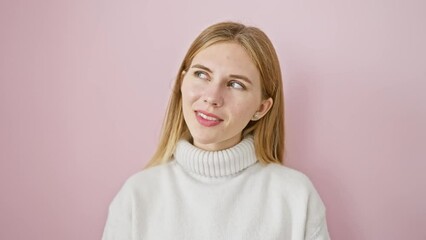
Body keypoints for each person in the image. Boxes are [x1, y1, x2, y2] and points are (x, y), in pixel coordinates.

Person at [102, 21, 330, 240]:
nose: (211, 97)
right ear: (182, 82)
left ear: (261, 108)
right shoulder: (137, 197)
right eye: (202, 74)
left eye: (236, 84)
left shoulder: (296, 198)